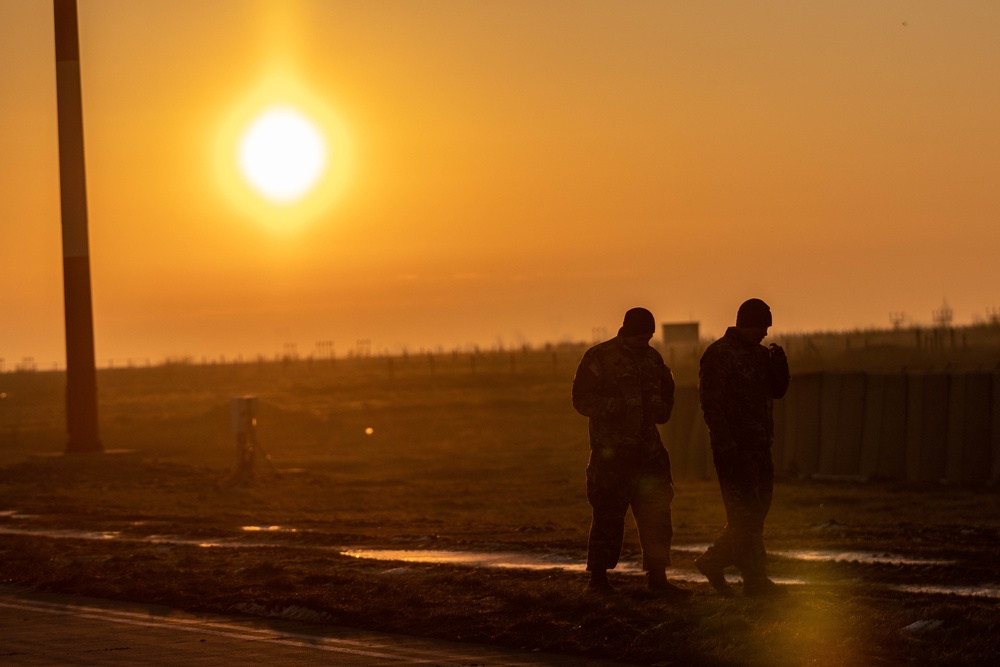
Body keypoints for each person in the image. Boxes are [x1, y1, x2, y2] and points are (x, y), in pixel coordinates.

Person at [572, 307, 689, 598]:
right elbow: (581, 400)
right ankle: (598, 581)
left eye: (648, 337)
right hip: (612, 456)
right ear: (626, 331)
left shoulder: (653, 359)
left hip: (649, 456)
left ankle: (658, 579)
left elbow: (666, 396)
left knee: (657, 517)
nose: (644, 342)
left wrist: (662, 408)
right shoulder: (599, 357)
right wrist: (615, 407)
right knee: (608, 517)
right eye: (640, 336)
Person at [694, 298, 790, 597]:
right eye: (761, 327)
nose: (765, 334)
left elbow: (777, 392)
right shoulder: (720, 354)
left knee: (755, 514)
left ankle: (713, 561)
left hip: (760, 446)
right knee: (744, 516)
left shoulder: (761, 356)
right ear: (747, 323)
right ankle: (755, 581)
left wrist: (780, 367)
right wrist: (726, 444)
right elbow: (711, 404)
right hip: (734, 449)